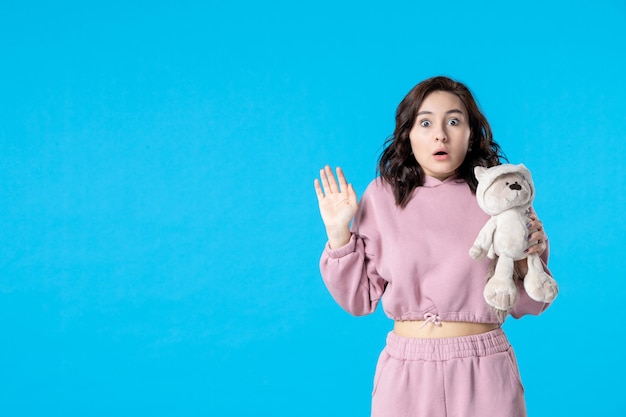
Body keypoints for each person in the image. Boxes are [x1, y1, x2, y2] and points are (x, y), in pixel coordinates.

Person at [313, 76, 555, 417]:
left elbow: (532, 302)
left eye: (454, 121)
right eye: (425, 123)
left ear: (472, 133)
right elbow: (358, 299)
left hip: (484, 368)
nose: (441, 134)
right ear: (408, 134)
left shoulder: (502, 195)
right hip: (407, 373)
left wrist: (527, 257)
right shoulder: (382, 196)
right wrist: (339, 234)